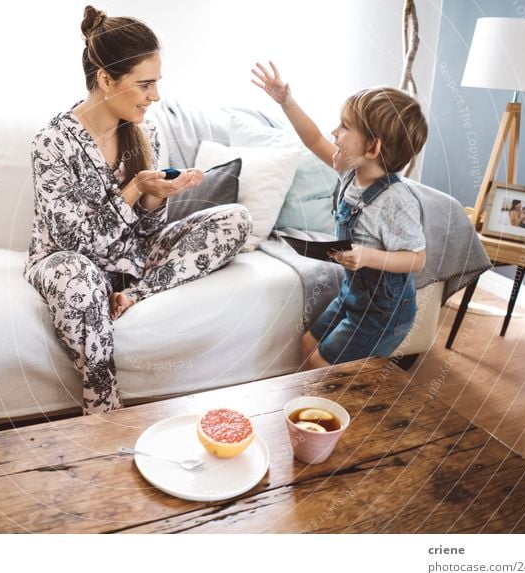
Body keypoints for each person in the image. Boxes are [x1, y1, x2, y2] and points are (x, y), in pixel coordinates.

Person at [24, 6, 252, 413]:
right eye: (145, 84)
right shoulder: (52, 142)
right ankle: (105, 413)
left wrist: (157, 196)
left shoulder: (145, 130)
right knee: (79, 276)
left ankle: (132, 295)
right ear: (106, 80)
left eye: (157, 83)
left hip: (131, 261)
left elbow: (147, 235)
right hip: (69, 262)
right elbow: (72, 243)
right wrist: (133, 189)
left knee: (236, 220)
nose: (156, 96)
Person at [252, 61, 427, 369]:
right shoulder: (350, 173)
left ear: (372, 147)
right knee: (307, 344)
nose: (335, 132)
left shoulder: (396, 200)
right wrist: (286, 101)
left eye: (345, 127)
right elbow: (315, 139)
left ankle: (342, 409)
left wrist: (368, 256)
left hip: (384, 312)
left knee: (321, 365)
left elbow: (417, 259)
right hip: (353, 295)